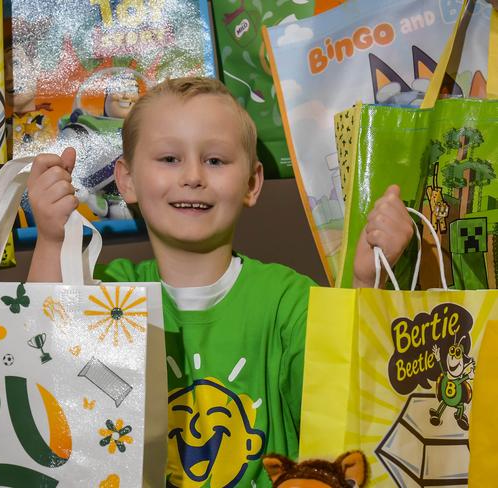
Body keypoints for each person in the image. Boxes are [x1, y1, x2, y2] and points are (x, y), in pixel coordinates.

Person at [26, 77, 413, 487]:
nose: (193, 176)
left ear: (251, 183)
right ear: (127, 181)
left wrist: (365, 284)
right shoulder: (110, 293)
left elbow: (344, 403)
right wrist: (52, 240)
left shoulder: (289, 300)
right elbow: (44, 360)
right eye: (169, 158)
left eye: (215, 161)